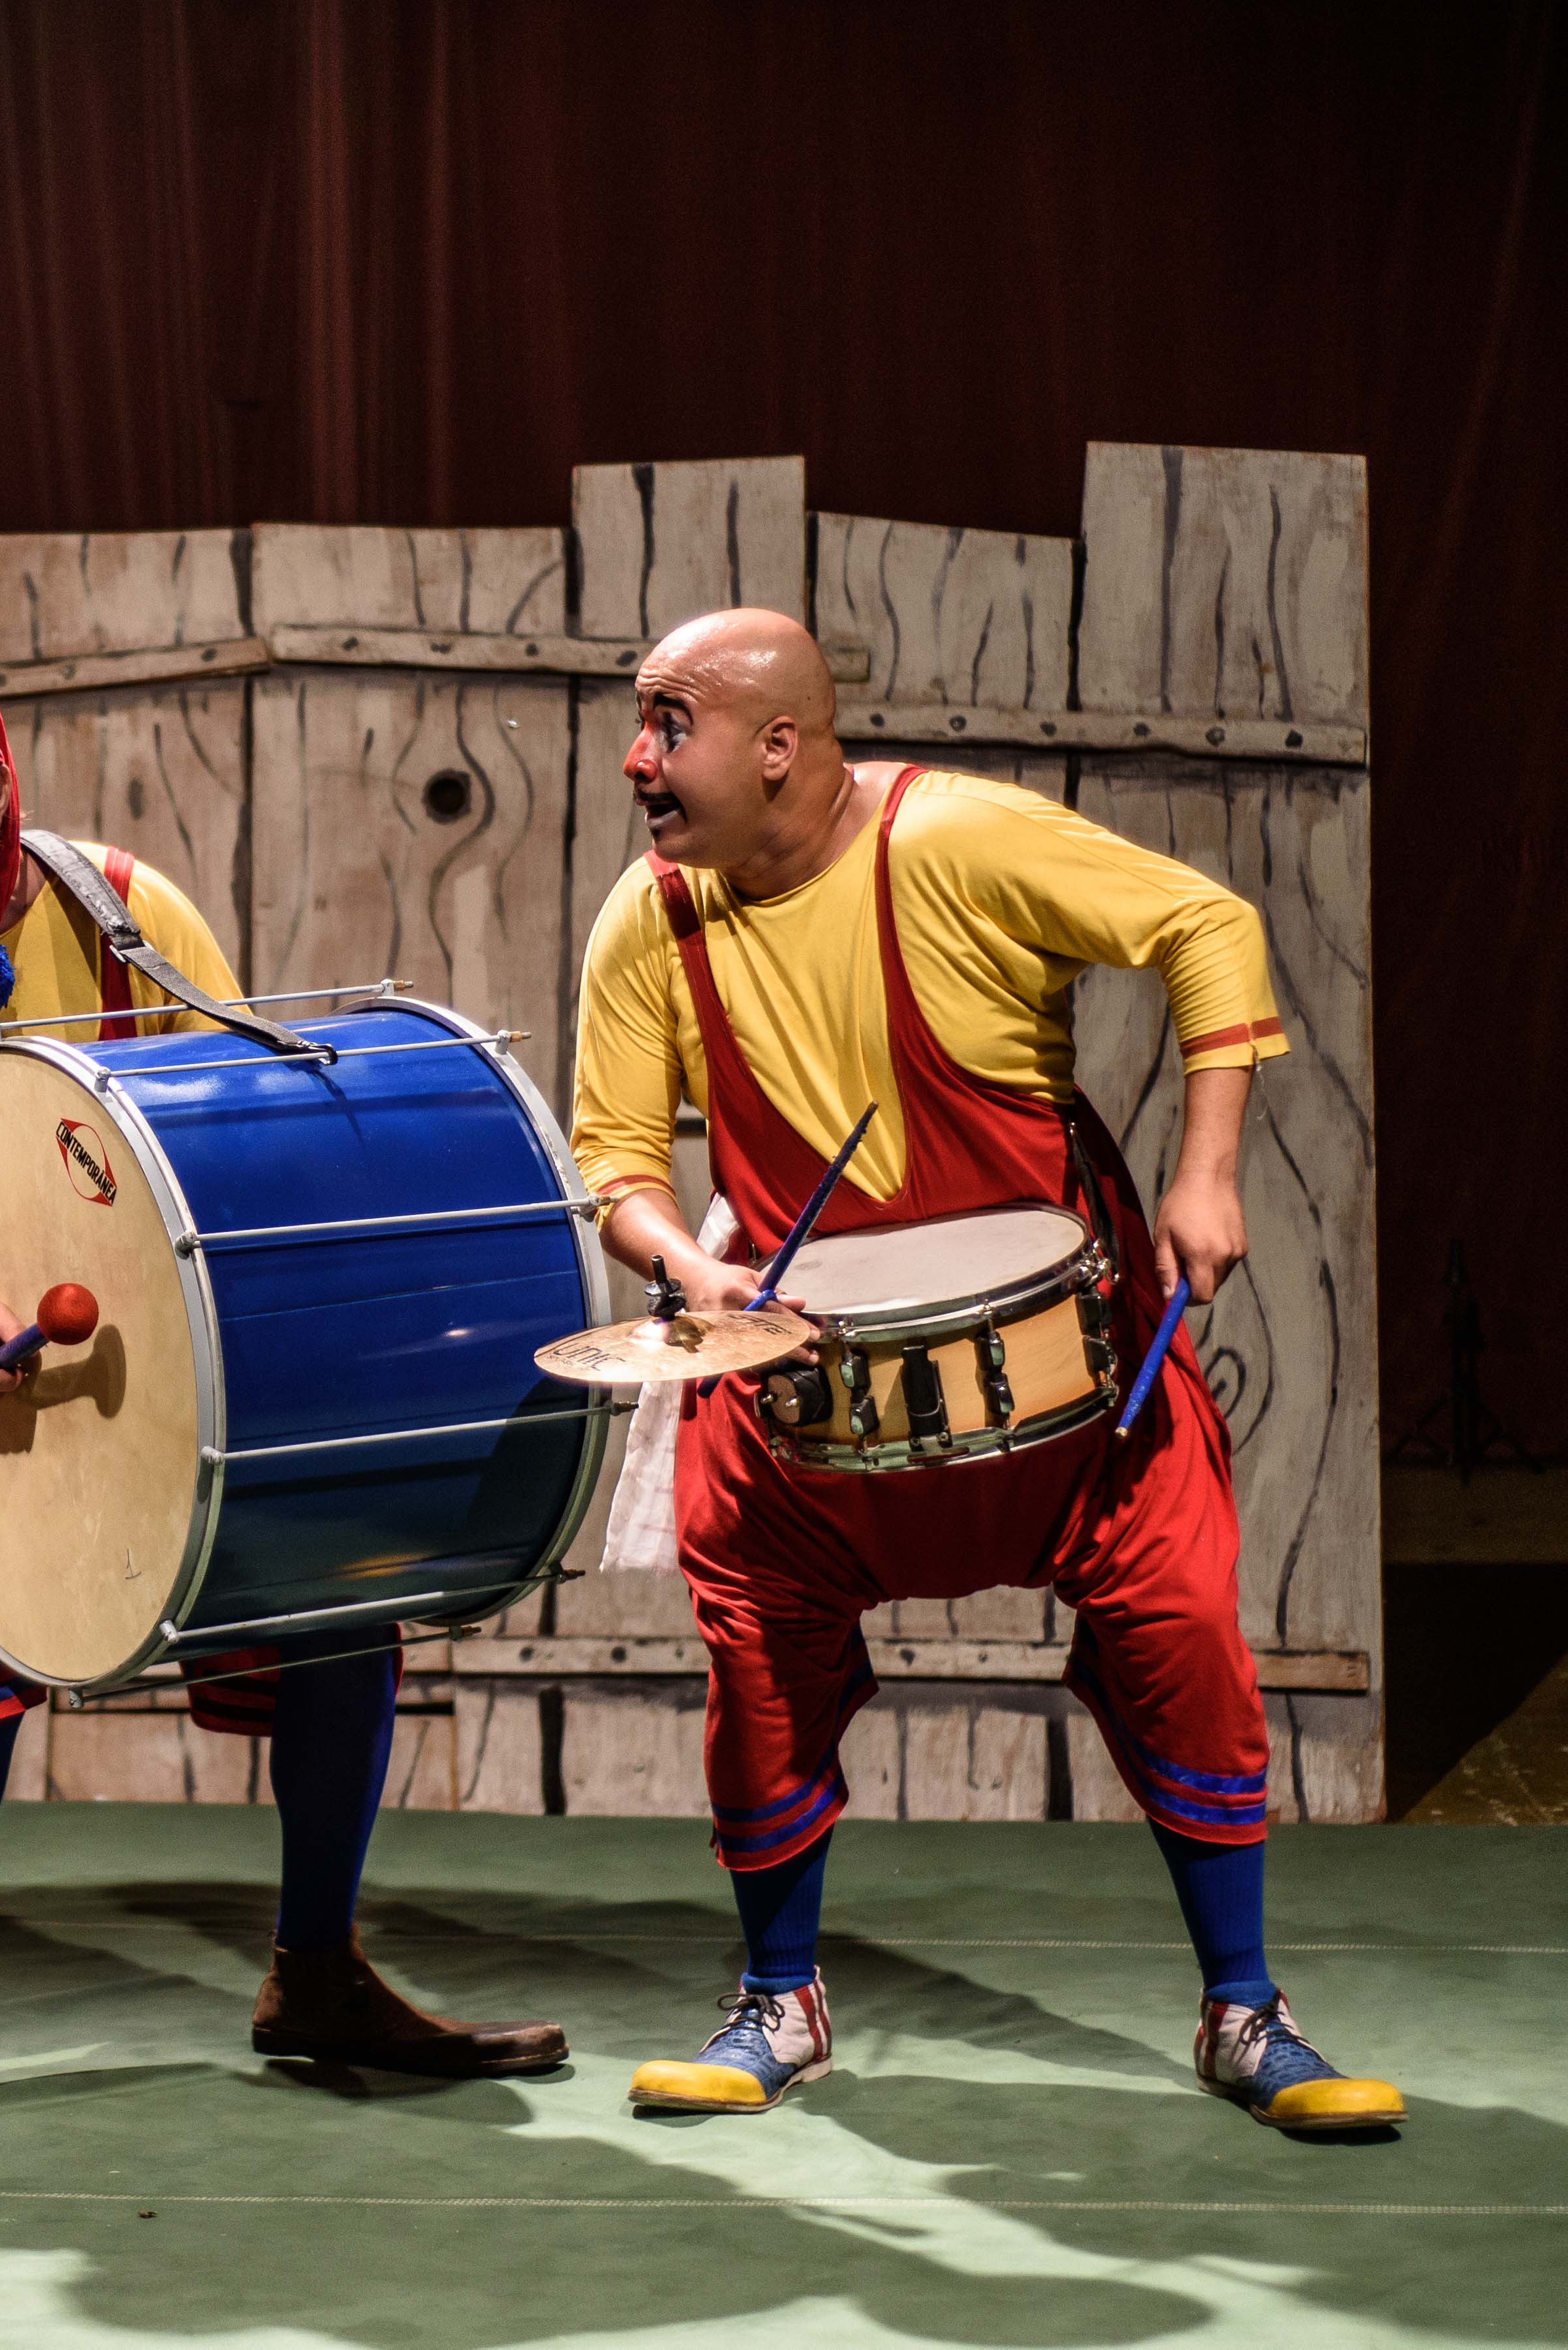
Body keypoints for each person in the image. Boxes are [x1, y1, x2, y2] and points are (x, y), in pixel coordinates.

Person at [571, 606, 1402, 2132]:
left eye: (666, 722)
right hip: (805, 1383)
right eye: (640, 719)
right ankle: (779, 1996)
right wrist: (690, 1271)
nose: (635, 756)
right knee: (753, 1654)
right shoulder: (653, 915)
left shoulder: (954, 842)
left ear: (775, 747)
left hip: (1070, 1383)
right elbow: (616, 1161)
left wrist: (1206, 1174)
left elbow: (1206, 928)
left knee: (1183, 1629)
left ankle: (1243, 2006)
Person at [0, 637, 568, 2154]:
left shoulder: (125, 911)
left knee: (340, 1587)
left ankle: (314, 1969)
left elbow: (231, 1145)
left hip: (150, 1354)